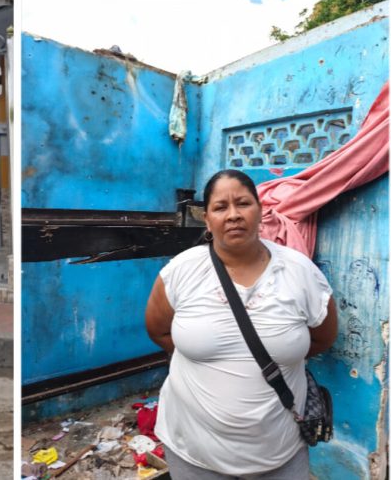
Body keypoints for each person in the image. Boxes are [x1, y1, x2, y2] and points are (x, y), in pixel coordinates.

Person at [144, 169, 338, 479]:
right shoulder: (182, 271)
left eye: (243, 203)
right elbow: (159, 331)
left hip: (280, 451)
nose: (233, 215)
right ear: (207, 219)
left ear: (261, 212)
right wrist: (203, 357)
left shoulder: (300, 272)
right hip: (193, 451)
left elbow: (323, 338)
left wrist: (278, 356)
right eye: (221, 207)